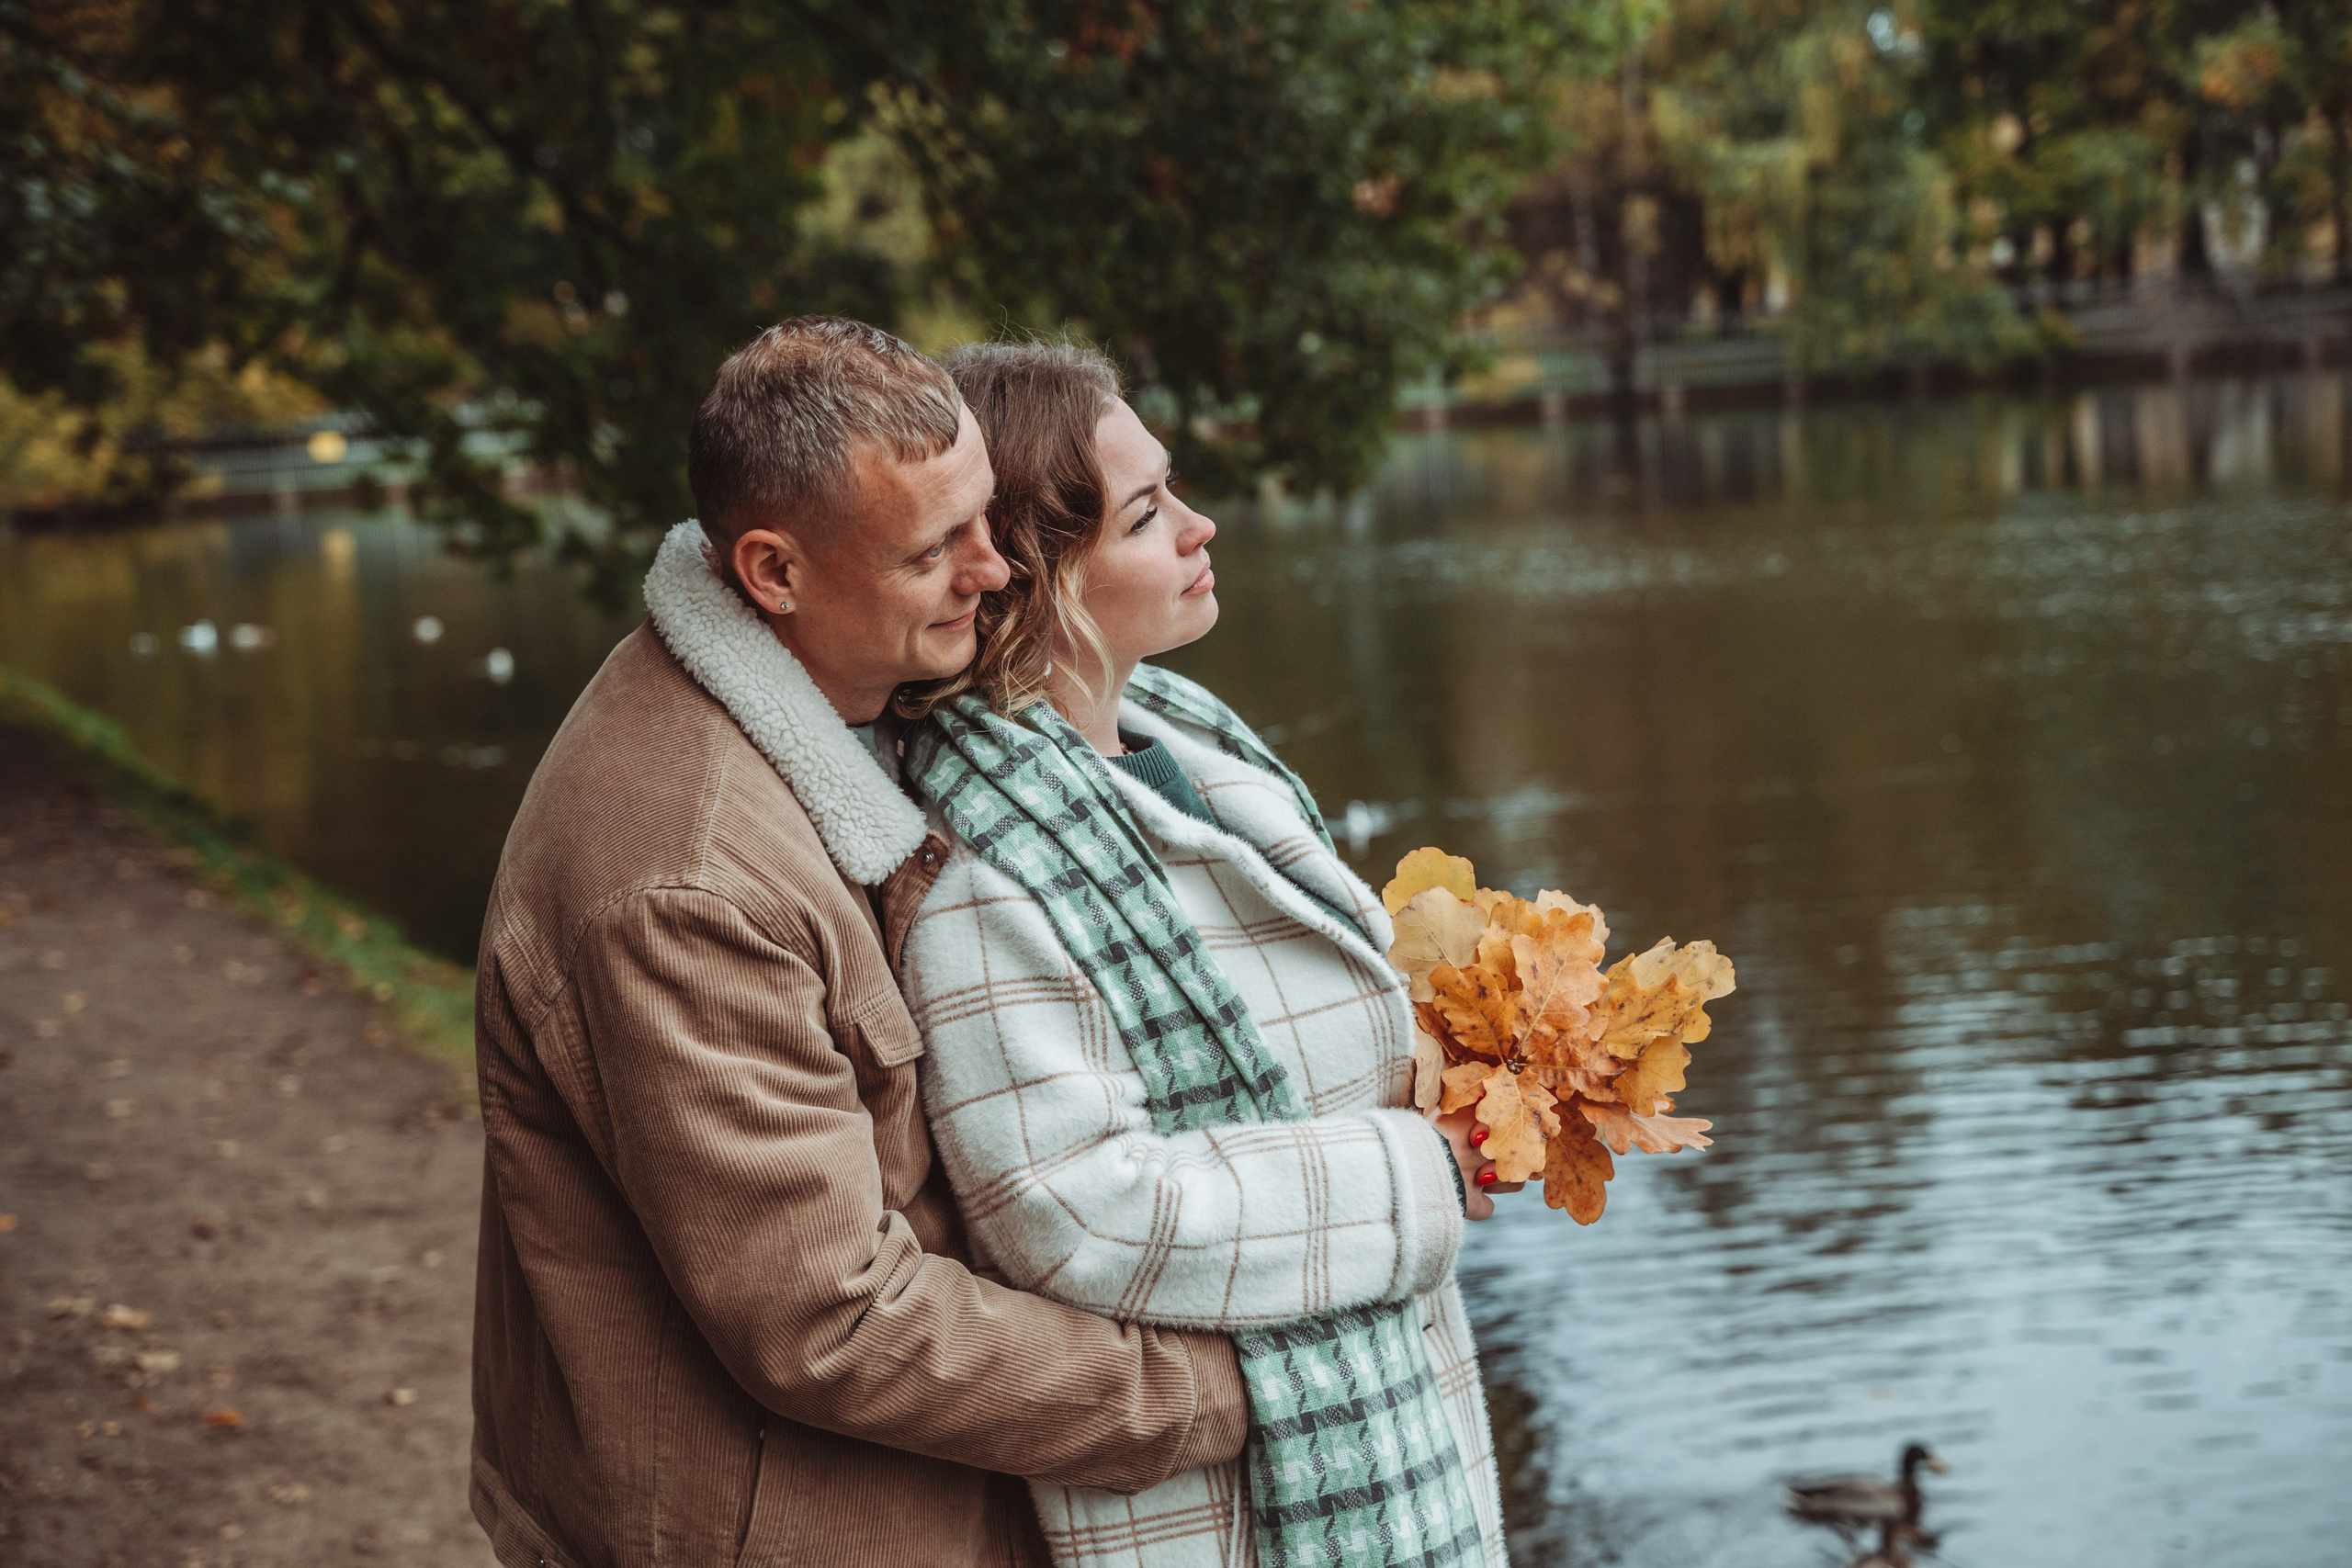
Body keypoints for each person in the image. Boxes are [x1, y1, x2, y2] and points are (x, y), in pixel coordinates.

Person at [470, 318, 1251, 1568]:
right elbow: (830, 1320)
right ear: (773, 573)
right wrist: (1215, 1395)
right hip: (771, 1535)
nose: (995, 573)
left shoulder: (847, 716)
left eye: (985, 522)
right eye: (935, 550)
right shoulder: (685, 881)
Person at [894, 341, 1511, 1568]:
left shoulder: (1193, 746)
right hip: (1232, 1513)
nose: (1198, 526)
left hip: (1394, 1420)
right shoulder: (987, 873)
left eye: (1170, 490)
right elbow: (1076, 1213)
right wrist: (1419, 1172)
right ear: (1033, 578)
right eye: (1145, 515)